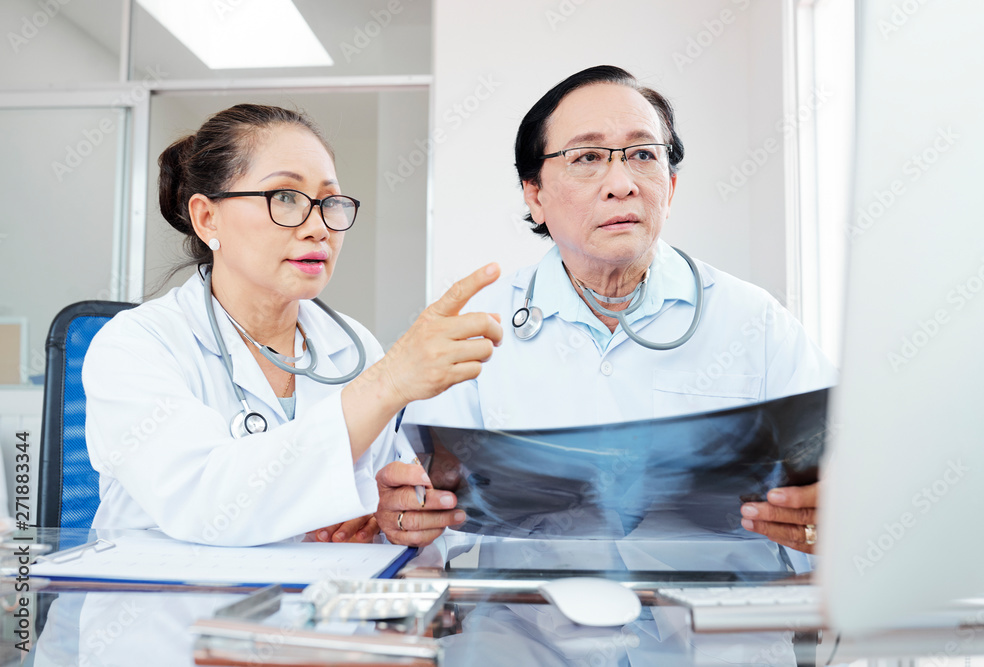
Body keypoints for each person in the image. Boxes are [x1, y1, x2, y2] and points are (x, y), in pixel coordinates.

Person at [379, 65, 836, 557]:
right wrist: (406, 515)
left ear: (671, 186)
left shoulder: (755, 322)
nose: (622, 183)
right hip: (522, 622)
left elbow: (844, 472)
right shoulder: (473, 328)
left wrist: (831, 509)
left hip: (716, 627)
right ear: (535, 196)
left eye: (643, 154)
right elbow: (424, 504)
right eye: (587, 157)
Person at [83, 104, 502, 547]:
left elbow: (377, 501)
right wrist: (390, 382)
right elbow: (207, 504)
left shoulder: (352, 346)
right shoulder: (134, 346)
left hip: (314, 606)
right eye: (285, 197)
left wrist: (394, 512)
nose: (319, 227)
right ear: (208, 218)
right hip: (162, 609)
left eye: (329, 202)